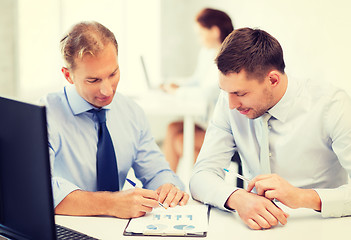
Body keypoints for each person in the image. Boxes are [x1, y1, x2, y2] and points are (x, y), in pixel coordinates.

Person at [190, 27, 351, 230]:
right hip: (256, 229)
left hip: (322, 227)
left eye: (240, 93)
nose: (231, 104)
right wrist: (237, 197)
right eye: (226, 92)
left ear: (273, 80)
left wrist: (301, 197)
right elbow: (201, 175)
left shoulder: (332, 105)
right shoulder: (229, 101)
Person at [40, 21, 189, 219]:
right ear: (68, 75)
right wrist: (111, 204)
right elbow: (37, 188)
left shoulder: (131, 112)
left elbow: (156, 171)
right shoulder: (44, 114)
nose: (107, 90)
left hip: (117, 229)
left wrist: (168, 186)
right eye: (93, 80)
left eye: (113, 74)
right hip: (67, 227)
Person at [162, 8, 234, 172]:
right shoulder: (208, 53)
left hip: (224, 129)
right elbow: (197, 81)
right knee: (172, 128)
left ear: (214, 31)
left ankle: (189, 187)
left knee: (180, 141)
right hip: (208, 122)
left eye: (200, 34)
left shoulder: (228, 59)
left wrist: (177, 92)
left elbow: (209, 93)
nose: (199, 39)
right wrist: (176, 85)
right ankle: (166, 186)